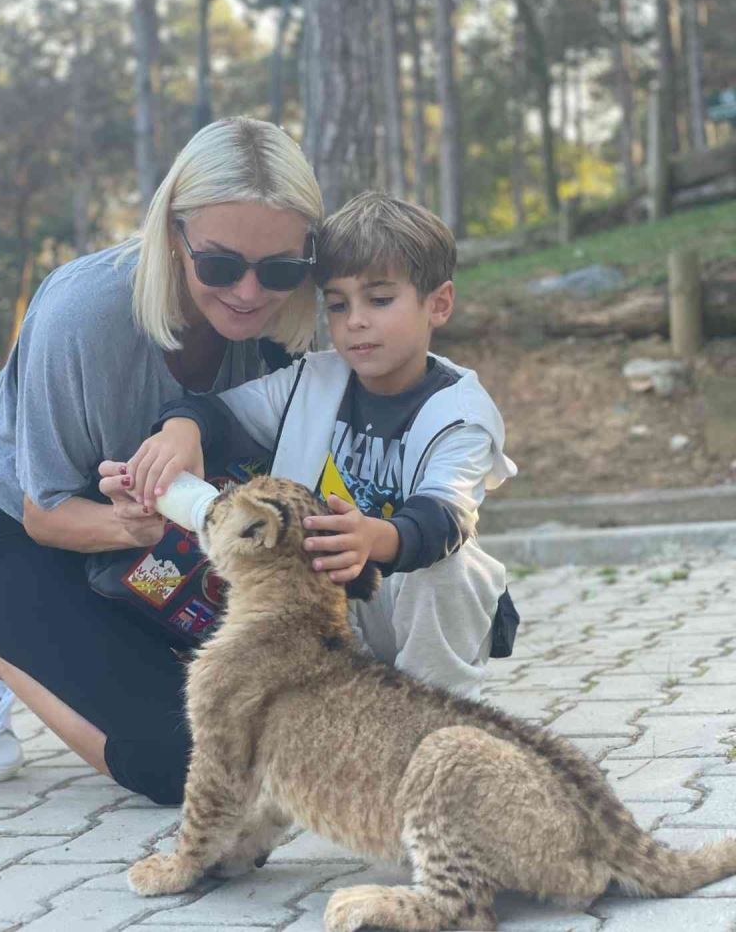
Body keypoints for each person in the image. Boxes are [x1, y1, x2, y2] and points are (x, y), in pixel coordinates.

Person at [0, 117, 324, 805]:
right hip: (27, 539)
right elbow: (42, 511)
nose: (250, 292)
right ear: (173, 236)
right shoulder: (82, 311)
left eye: (283, 269)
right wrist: (130, 527)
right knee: (184, 762)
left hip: (166, 546)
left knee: (273, 719)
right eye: (222, 264)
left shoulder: (288, 325)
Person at [127, 191, 518, 699]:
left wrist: (371, 539)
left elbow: (445, 518)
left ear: (437, 304)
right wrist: (182, 428)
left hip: (399, 601)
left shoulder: (461, 413)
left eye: (379, 300)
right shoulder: (314, 379)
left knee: (454, 568)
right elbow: (217, 414)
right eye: (337, 304)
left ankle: (439, 713)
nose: (355, 320)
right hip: (320, 600)